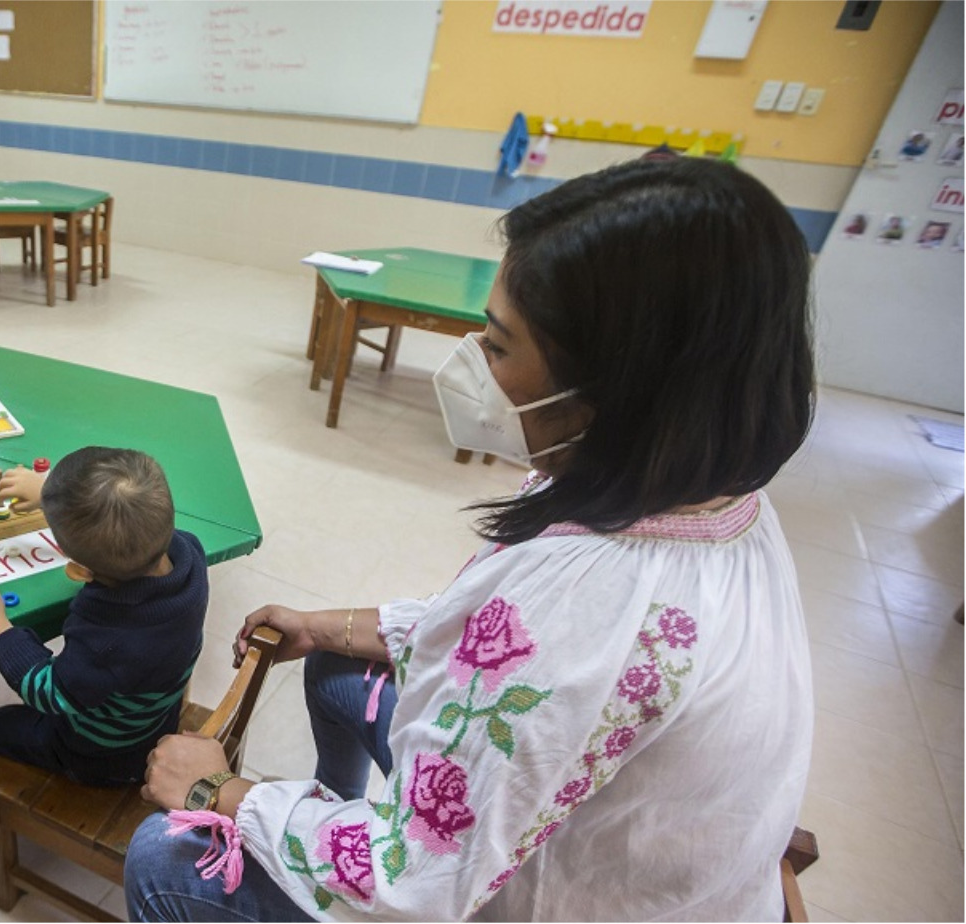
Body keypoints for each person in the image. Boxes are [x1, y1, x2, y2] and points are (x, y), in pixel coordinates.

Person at [124, 156, 815, 921]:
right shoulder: (700, 483)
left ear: (615, 385)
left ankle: (318, 827)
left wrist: (221, 791)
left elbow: (415, 882)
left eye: (496, 343)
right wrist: (326, 626)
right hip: (629, 855)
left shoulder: (590, 605)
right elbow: (495, 647)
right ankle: (331, 810)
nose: (475, 363)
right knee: (340, 669)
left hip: (533, 897)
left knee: (164, 857)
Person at [0, 447, 208, 785]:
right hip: (155, 716)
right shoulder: (189, 555)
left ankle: (1, 795)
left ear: (81, 572)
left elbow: (50, 692)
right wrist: (51, 496)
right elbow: (118, 519)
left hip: (103, 755)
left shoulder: (107, 643)